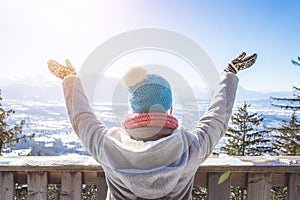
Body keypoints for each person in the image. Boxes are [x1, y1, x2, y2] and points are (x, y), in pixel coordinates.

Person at [48, 52, 257, 200]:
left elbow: (82, 118)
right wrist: (229, 75)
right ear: (170, 108)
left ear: (134, 108)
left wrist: (70, 80)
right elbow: (217, 118)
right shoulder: (190, 147)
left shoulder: (109, 145)